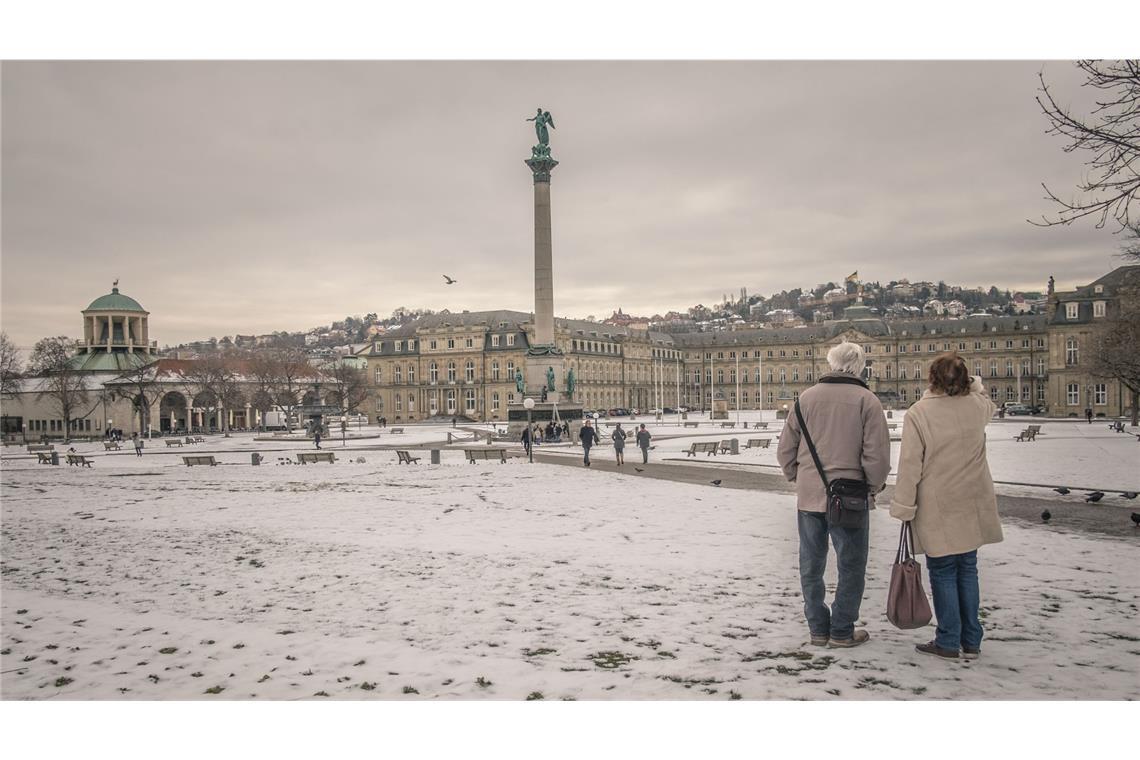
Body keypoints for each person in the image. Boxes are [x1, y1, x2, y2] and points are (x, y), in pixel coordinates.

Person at [776, 342, 890, 649]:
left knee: (811, 564)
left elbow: (785, 450)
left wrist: (798, 478)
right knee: (851, 566)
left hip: (810, 496)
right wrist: (873, 486)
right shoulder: (868, 400)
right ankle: (841, 629)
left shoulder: (806, 399)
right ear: (860, 366)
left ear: (831, 363)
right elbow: (876, 456)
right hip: (851, 499)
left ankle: (817, 628)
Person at [890, 354, 1003, 661]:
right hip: (973, 500)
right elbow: (987, 402)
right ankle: (971, 639)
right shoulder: (978, 407)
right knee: (968, 568)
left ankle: (949, 639)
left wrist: (903, 505)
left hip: (938, 503)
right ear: (966, 378)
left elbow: (910, 465)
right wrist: (976, 386)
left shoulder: (920, 412)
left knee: (942, 570)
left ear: (932, 378)